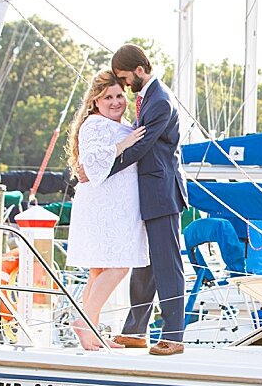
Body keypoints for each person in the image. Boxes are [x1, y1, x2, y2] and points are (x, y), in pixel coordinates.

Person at [107, 43, 190, 355]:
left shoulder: (160, 102)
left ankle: (174, 335)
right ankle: (135, 330)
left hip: (161, 192)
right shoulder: (150, 98)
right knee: (145, 264)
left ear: (139, 70)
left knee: (167, 266)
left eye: (125, 78)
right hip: (150, 193)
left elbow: (141, 147)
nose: (125, 85)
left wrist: (105, 168)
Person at [64, 69, 147, 350]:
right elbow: (91, 161)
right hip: (105, 204)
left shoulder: (117, 123)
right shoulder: (96, 124)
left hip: (113, 203)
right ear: (95, 102)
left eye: (119, 95)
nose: (115, 102)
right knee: (117, 266)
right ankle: (85, 321)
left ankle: (90, 332)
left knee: (99, 270)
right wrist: (123, 144)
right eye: (107, 97)